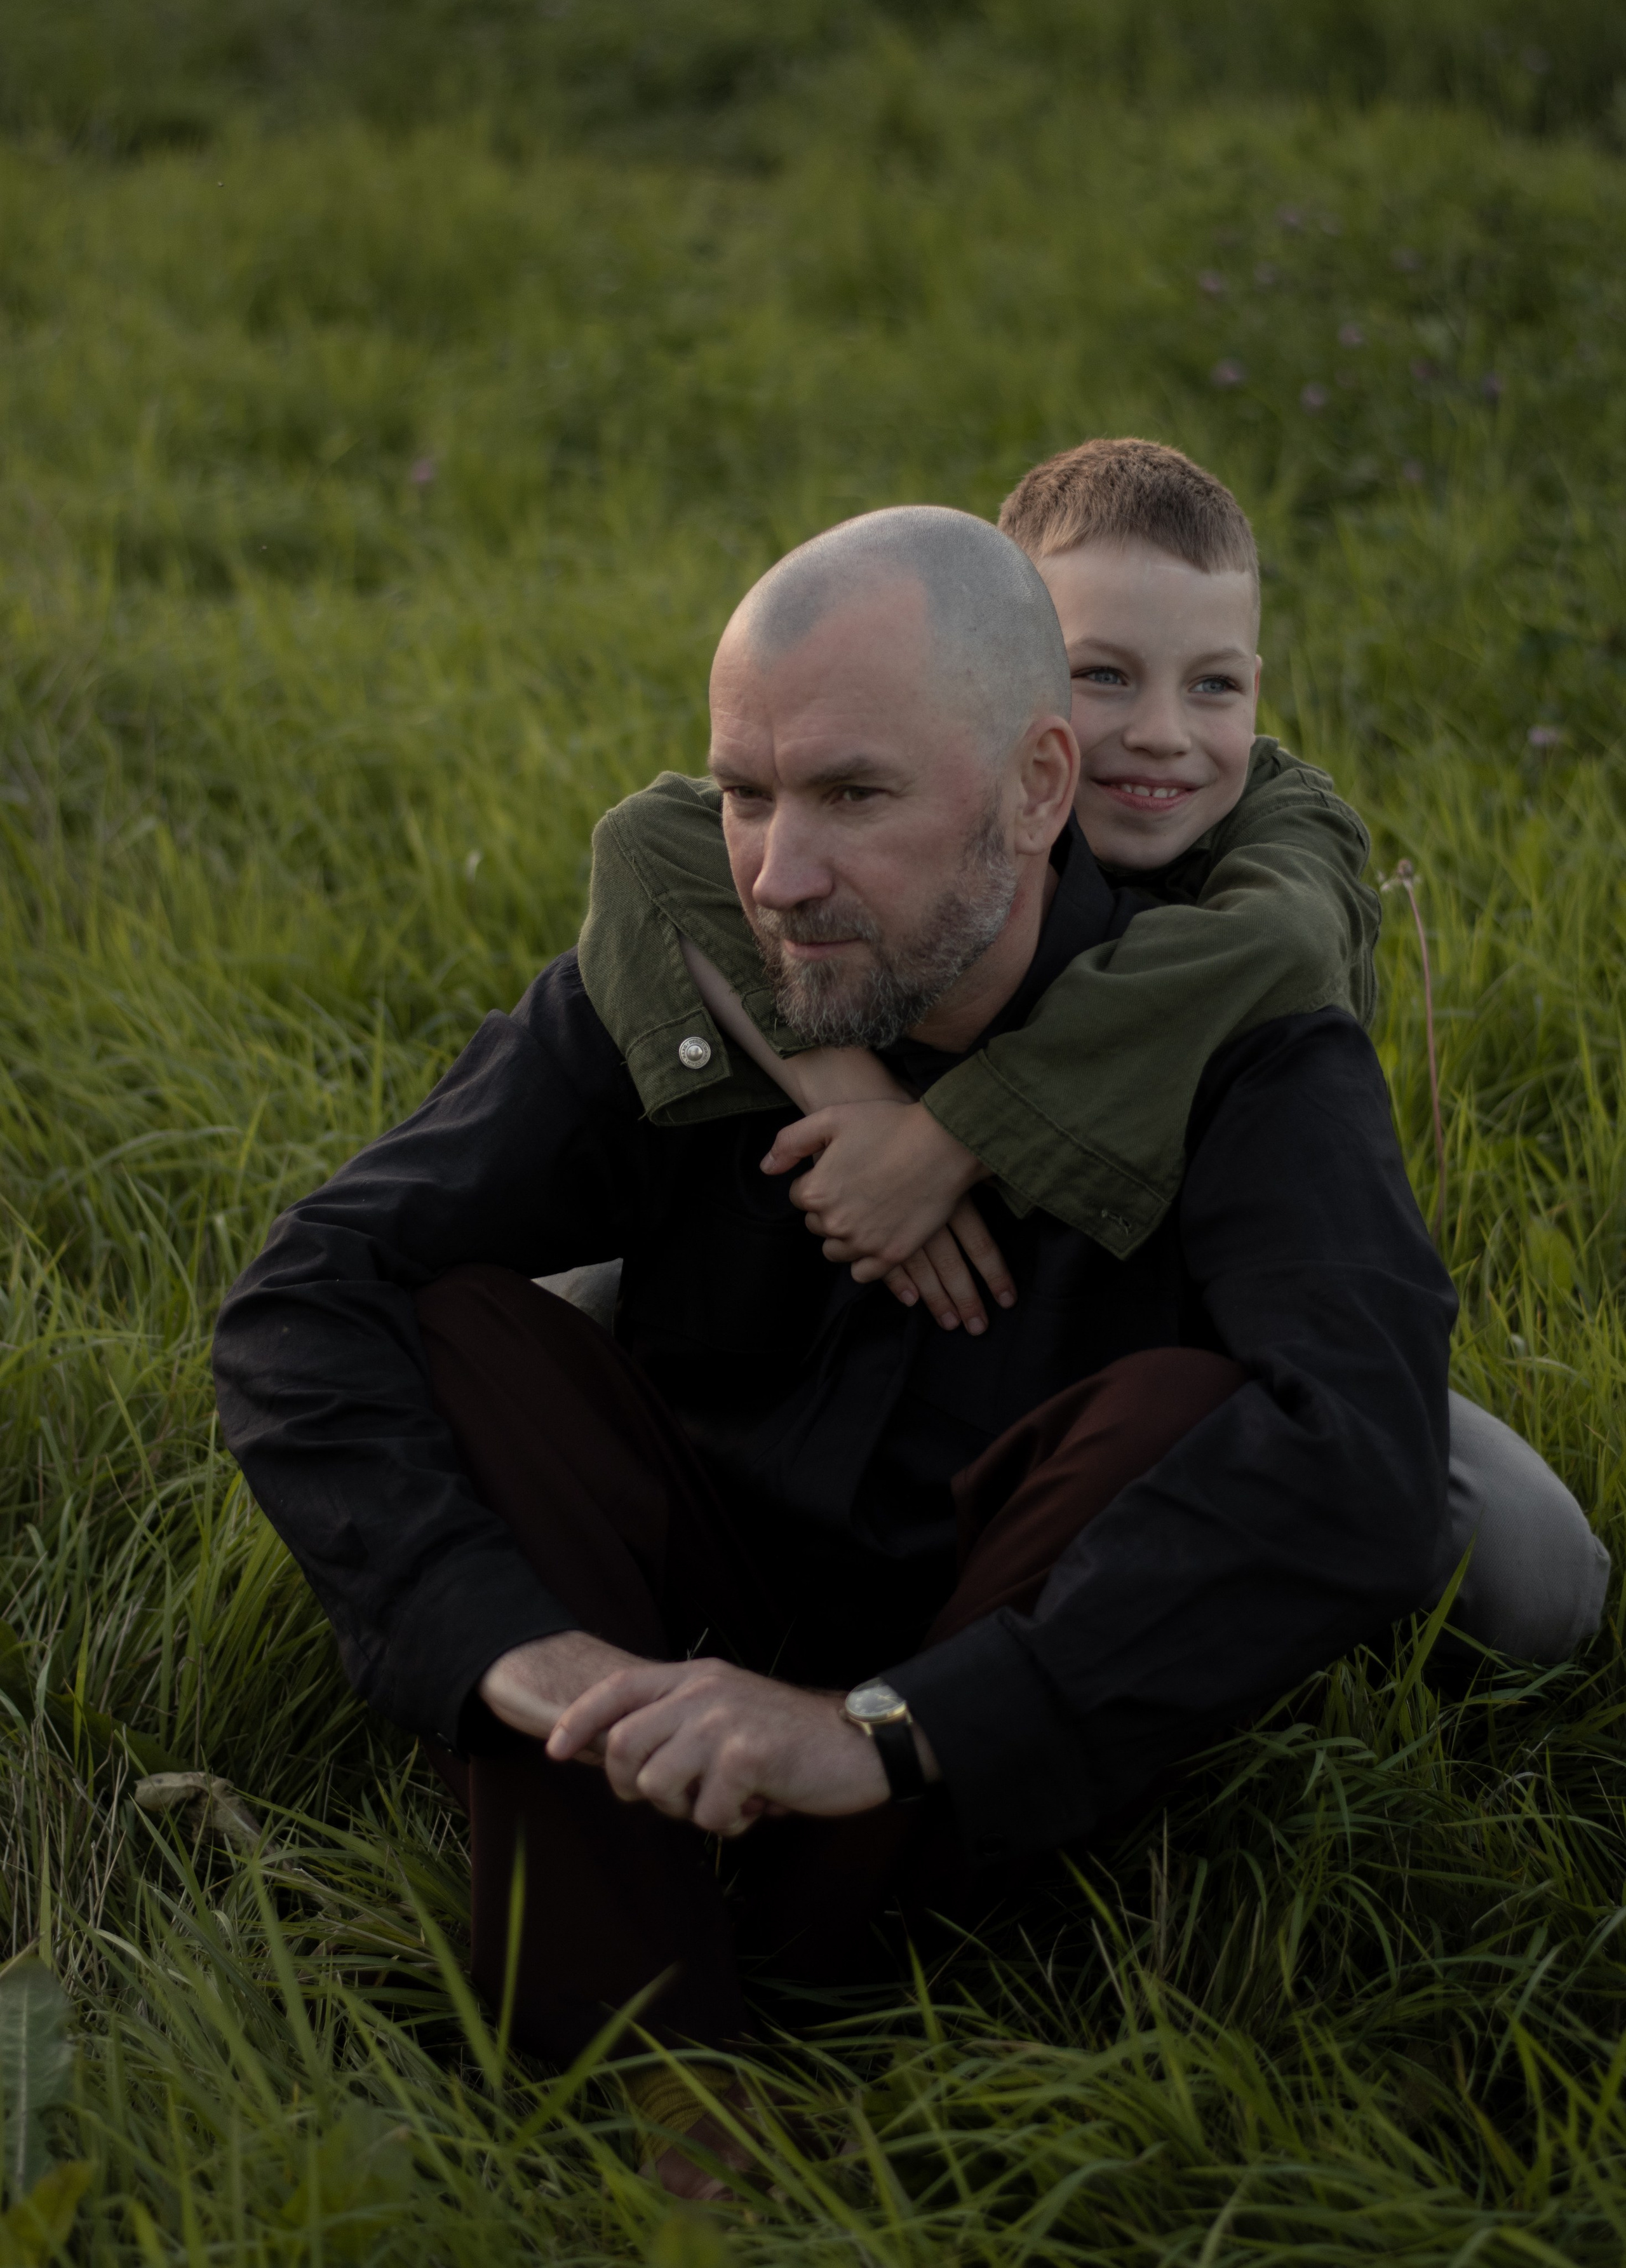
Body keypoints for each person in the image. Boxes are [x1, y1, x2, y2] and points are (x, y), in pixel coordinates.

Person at [215, 503, 1462, 2194]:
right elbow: (307, 1291)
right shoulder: (683, 991)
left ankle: (786, 1929)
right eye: (746, 795)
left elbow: (1365, 1465)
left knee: (1197, 1411)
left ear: (1038, 787)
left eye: (854, 798)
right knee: (459, 1321)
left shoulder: (1245, 1053)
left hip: (976, 1685)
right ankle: (658, 2064)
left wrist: (873, 1730)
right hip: (669, 1621)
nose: (777, 875)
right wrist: (505, 1646)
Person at [574, 438, 1608, 1665]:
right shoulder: (928, 787)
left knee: (1533, 1573)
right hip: (879, 1290)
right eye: (1102, 675)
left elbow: (1281, 946)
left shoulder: (1276, 827)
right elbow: (648, 841)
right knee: (559, 1317)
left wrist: (954, 1136)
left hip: (1193, 1303)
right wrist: (839, 1084)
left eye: (1214, 685)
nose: (1163, 735)